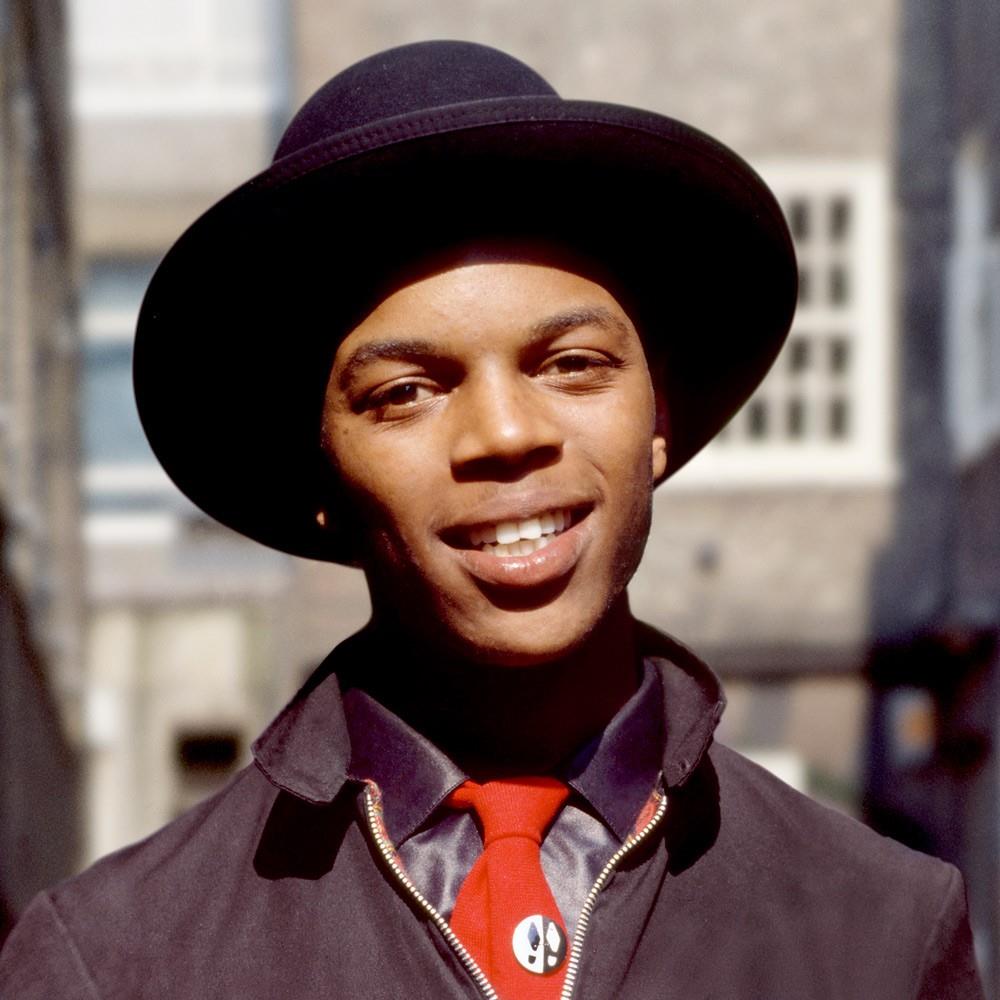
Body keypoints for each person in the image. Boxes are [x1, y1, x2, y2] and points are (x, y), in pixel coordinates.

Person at [0, 40, 984, 1000]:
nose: (507, 435)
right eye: (405, 392)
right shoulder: (116, 963)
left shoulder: (881, 928)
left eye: (572, 365)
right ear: (320, 472)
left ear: (658, 420)